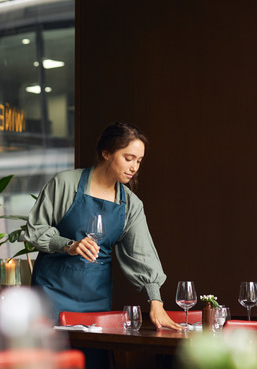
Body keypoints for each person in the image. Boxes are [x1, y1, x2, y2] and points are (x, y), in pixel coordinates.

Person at [25, 122, 182, 331]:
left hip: (96, 299)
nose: (134, 167)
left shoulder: (131, 204)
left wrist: (156, 301)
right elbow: (35, 229)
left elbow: (142, 254)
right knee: (53, 361)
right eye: (128, 158)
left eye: (139, 161)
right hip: (51, 294)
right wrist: (69, 245)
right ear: (106, 153)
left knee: (94, 360)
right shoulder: (65, 184)